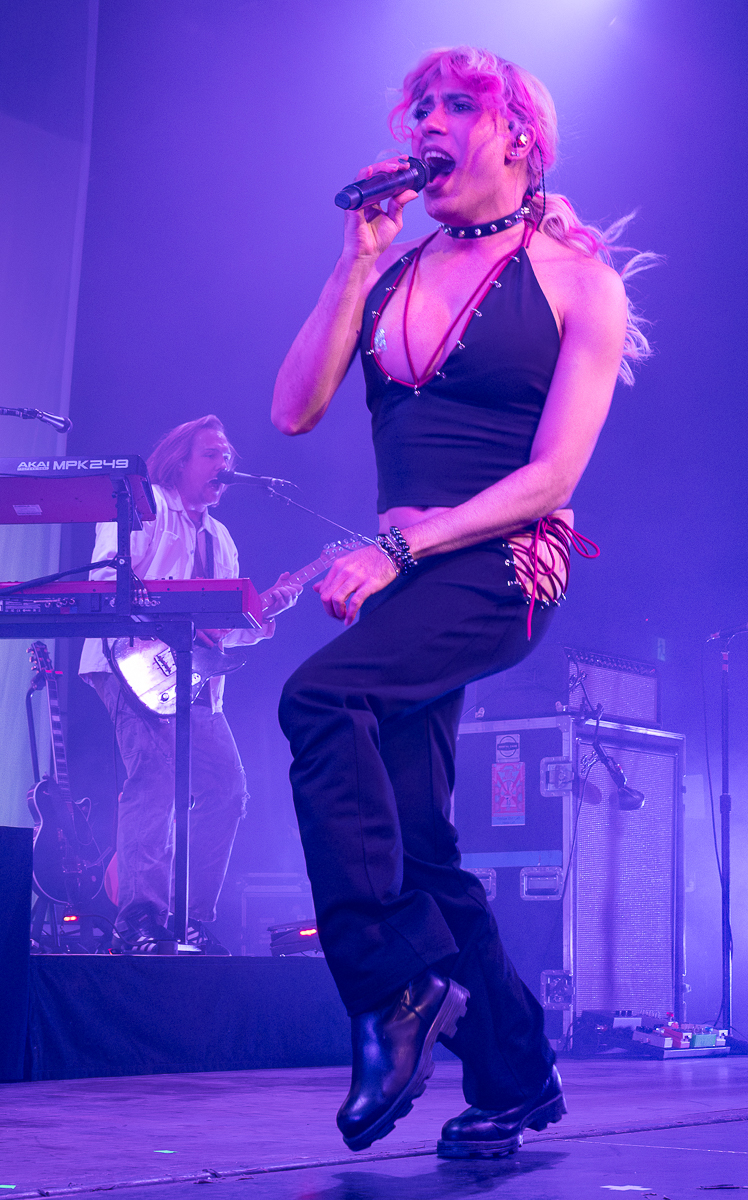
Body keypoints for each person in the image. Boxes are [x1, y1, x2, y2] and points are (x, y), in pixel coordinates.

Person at [272, 47, 651, 1157]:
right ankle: (516, 1069)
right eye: (419, 109)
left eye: (456, 106)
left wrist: (402, 545)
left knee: (317, 697)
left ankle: (391, 987)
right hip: (407, 570)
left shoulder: (577, 280)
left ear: (518, 137)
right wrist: (352, 263)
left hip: (502, 567)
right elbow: (293, 409)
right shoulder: (393, 269)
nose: (426, 125)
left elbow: (553, 478)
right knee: (419, 839)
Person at [79, 415, 301, 953]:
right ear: (180, 461)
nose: (224, 465)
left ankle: (191, 919)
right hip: (130, 663)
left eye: (228, 456)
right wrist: (176, 619)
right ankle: (138, 920)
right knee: (155, 781)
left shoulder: (221, 538)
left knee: (228, 789)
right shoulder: (145, 506)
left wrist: (264, 614)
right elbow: (105, 584)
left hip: (194, 680)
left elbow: (222, 634)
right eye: (211, 455)